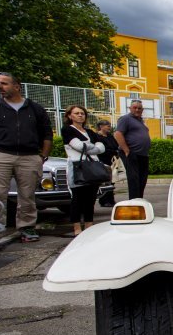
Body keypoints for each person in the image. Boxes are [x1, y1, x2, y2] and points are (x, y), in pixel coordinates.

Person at [0, 72, 52, 242]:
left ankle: (27, 227)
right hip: (0, 155)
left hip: (29, 156)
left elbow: (46, 134)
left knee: (27, 195)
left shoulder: (35, 109)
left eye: (4, 83)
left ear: (17, 86)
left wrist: (43, 156)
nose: (0, 86)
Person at [61, 105, 106, 236]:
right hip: (77, 167)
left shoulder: (90, 132)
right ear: (70, 116)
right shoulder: (68, 130)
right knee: (77, 198)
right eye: (76, 113)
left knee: (90, 199)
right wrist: (92, 147)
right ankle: (76, 227)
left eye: (82, 113)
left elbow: (102, 147)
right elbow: (78, 146)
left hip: (92, 167)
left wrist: (88, 147)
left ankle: (89, 225)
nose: (80, 115)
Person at [114, 99, 151, 199]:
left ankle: (139, 200)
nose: (137, 110)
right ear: (130, 108)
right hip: (131, 153)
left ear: (142, 110)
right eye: (135, 108)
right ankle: (134, 201)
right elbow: (118, 134)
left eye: (139, 108)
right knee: (134, 180)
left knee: (142, 180)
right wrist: (126, 150)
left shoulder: (141, 121)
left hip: (142, 155)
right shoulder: (125, 119)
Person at [95, 120, 119, 207]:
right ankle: (104, 200)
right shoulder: (97, 136)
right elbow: (101, 149)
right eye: (107, 125)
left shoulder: (110, 136)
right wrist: (112, 151)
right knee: (104, 181)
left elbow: (116, 145)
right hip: (103, 161)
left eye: (109, 125)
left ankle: (111, 200)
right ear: (101, 126)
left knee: (112, 181)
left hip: (112, 161)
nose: (109, 127)